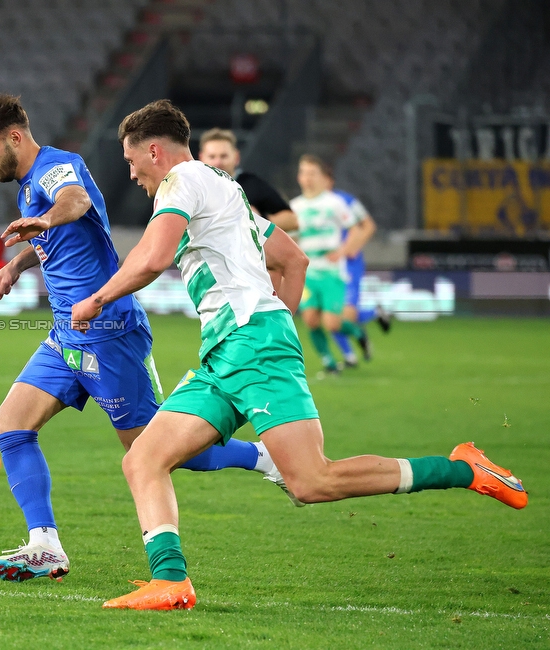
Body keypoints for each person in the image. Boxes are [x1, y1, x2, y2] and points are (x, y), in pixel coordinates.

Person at [70, 99, 527, 611]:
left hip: (251, 347)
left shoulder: (183, 184)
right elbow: (294, 257)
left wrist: (96, 298)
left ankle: (463, 469)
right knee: (144, 459)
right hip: (228, 350)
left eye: (132, 162)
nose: (131, 174)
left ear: (155, 151)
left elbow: (152, 257)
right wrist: (276, 318)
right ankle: (170, 581)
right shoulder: (227, 190)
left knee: (310, 482)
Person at [0, 94, 285, 583]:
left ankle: (264, 457)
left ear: (14, 138)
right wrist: (15, 263)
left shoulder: (56, 169)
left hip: (110, 335)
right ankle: (44, 545)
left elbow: (75, 202)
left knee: (156, 451)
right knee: (10, 427)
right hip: (67, 335)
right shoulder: (29, 186)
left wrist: (45, 219)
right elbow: (50, 237)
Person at [290, 154, 371, 374]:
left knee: (332, 324)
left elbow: (356, 229)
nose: (307, 178)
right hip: (308, 272)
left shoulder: (335, 203)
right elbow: (292, 239)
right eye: (304, 173)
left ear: (321, 177)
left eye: (312, 173)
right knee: (310, 320)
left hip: (332, 272)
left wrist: (343, 251)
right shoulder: (294, 206)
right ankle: (329, 363)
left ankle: (358, 333)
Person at [320, 171, 391, 367]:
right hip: (325, 266)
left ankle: (371, 316)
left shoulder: (346, 200)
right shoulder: (309, 204)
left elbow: (368, 226)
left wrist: (352, 247)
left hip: (348, 265)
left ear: (328, 180)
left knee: (345, 316)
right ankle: (350, 356)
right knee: (330, 314)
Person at [197, 128, 298, 232]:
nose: (218, 162)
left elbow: (292, 220)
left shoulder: (253, 184)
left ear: (236, 157)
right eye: (212, 157)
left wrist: (258, 220)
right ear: (201, 158)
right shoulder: (195, 188)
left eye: (224, 156)